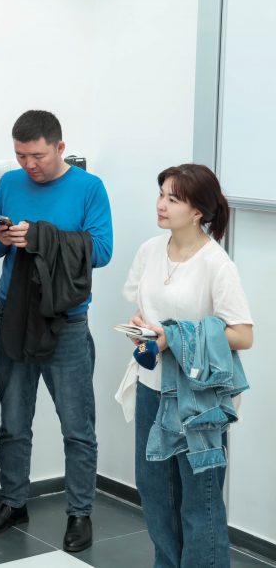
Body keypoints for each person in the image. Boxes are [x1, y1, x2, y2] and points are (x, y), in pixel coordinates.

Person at [0, 110, 113, 552]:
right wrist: (2, 237)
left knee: (77, 425)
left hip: (66, 320)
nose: (29, 165)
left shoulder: (89, 188)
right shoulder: (10, 183)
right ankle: (13, 502)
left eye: (37, 156)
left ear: (59, 147)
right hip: (14, 315)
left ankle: (80, 512)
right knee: (13, 420)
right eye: (20, 156)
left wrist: (39, 236)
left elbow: (102, 250)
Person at [119, 164, 253, 567]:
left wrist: (175, 336)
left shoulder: (216, 264)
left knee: (200, 499)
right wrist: (141, 326)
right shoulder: (149, 250)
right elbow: (144, 308)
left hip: (197, 398)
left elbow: (242, 334)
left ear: (197, 212)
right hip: (151, 386)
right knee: (155, 492)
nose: (161, 204)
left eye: (173, 199)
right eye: (161, 194)